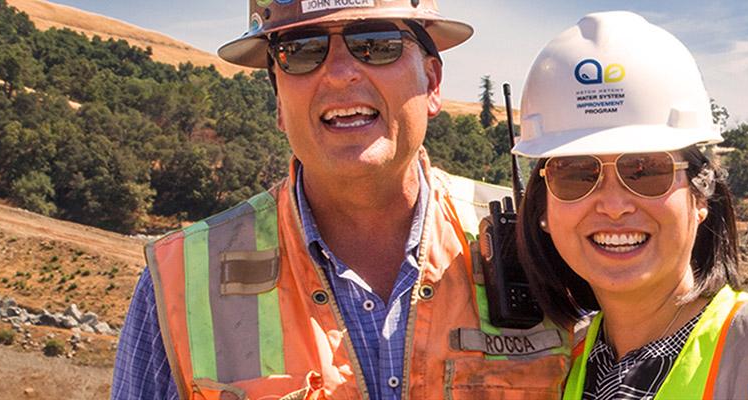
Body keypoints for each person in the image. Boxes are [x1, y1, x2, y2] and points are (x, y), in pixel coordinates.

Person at [111, 0, 569, 398]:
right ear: (276, 101)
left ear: (431, 81)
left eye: (376, 44)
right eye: (302, 51)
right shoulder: (176, 283)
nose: (339, 73)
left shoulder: (548, 238)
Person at [510, 11, 748, 400]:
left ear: (701, 195)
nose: (614, 205)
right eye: (577, 174)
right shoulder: (568, 362)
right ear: (543, 211)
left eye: (646, 171)